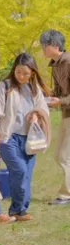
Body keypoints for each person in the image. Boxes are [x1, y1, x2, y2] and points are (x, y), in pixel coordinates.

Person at [0, 52, 50, 221]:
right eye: (18, 72)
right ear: (14, 70)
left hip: (29, 140)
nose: (21, 76)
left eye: (25, 73)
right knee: (20, 171)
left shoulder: (34, 90)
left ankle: (20, 211)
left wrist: (37, 115)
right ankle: (16, 209)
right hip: (7, 138)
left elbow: (44, 111)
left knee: (25, 175)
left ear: (32, 73)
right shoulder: (5, 87)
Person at [40, 29, 70, 206]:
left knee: (65, 156)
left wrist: (60, 101)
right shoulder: (56, 64)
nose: (43, 48)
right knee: (59, 155)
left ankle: (66, 195)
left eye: (45, 45)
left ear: (54, 45)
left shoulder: (68, 62)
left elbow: (63, 97)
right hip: (66, 115)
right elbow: (59, 93)